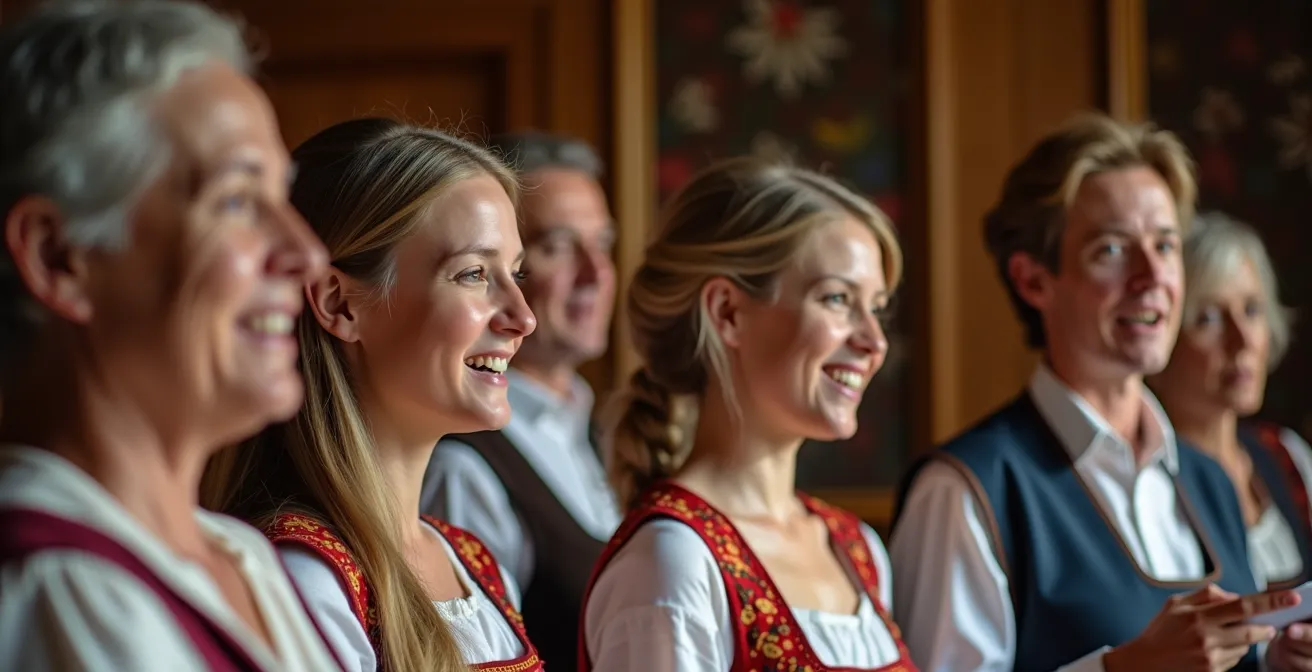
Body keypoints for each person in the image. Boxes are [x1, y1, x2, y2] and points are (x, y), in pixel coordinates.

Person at [890, 113, 1301, 672]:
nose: (1153, 275)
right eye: (1111, 250)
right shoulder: (968, 492)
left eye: (1165, 244)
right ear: (1033, 280)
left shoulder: (1209, 480)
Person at [0, 1, 342, 670]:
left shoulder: (243, 558)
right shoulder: (56, 592)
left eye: (284, 197)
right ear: (58, 257)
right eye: (238, 201)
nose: (307, 254)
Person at [202, 117, 542, 672]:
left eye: (517, 274)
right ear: (339, 304)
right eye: (474, 274)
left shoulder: (475, 563)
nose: (522, 318)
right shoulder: (306, 580)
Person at [582, 156, 916, 671]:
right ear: (727, 313)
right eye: (836, 299)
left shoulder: (859, 549)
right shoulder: (672, 564)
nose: (873, 342)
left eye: (877, 307)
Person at [421, 130, 620, 669]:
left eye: (602, 245)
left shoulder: (601, 433)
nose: (595, 274)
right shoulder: (464, 463)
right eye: (557, 246)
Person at [1148, 212, 1312, 667]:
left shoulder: (1288, 456)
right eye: (1208, 318)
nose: (1242, 340)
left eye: (1252, 310)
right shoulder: (1145, 486)